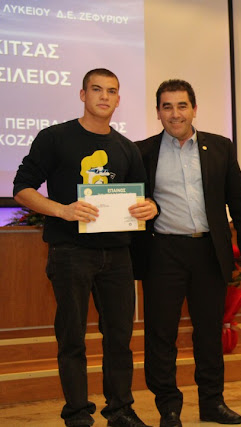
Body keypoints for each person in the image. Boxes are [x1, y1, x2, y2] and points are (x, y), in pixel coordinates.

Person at [13, 68, 155, 427]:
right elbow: (22, 189)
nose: (104, 96)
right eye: (96, 89)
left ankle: (120, 410)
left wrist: (148, 208)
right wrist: (62, 210)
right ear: (82, 95)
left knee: (119, 337)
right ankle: (77, 413)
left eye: (111, 91)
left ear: (118, 99)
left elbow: (141, 199)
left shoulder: (126, 148)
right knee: (72, 337)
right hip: (70, 251)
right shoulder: (55, 138)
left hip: (118, 255)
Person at [134, 79, 241, 426]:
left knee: (209, 331)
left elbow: (239, 200)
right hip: (163, 252)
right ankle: (168, 407)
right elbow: (132, 201)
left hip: (208, 251)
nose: (175, 114)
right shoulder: (141, 152)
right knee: (161, 333)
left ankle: (212, 402)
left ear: (194, 109)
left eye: (182, 106)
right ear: (158, 112)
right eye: (167, 107)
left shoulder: (220, 147)